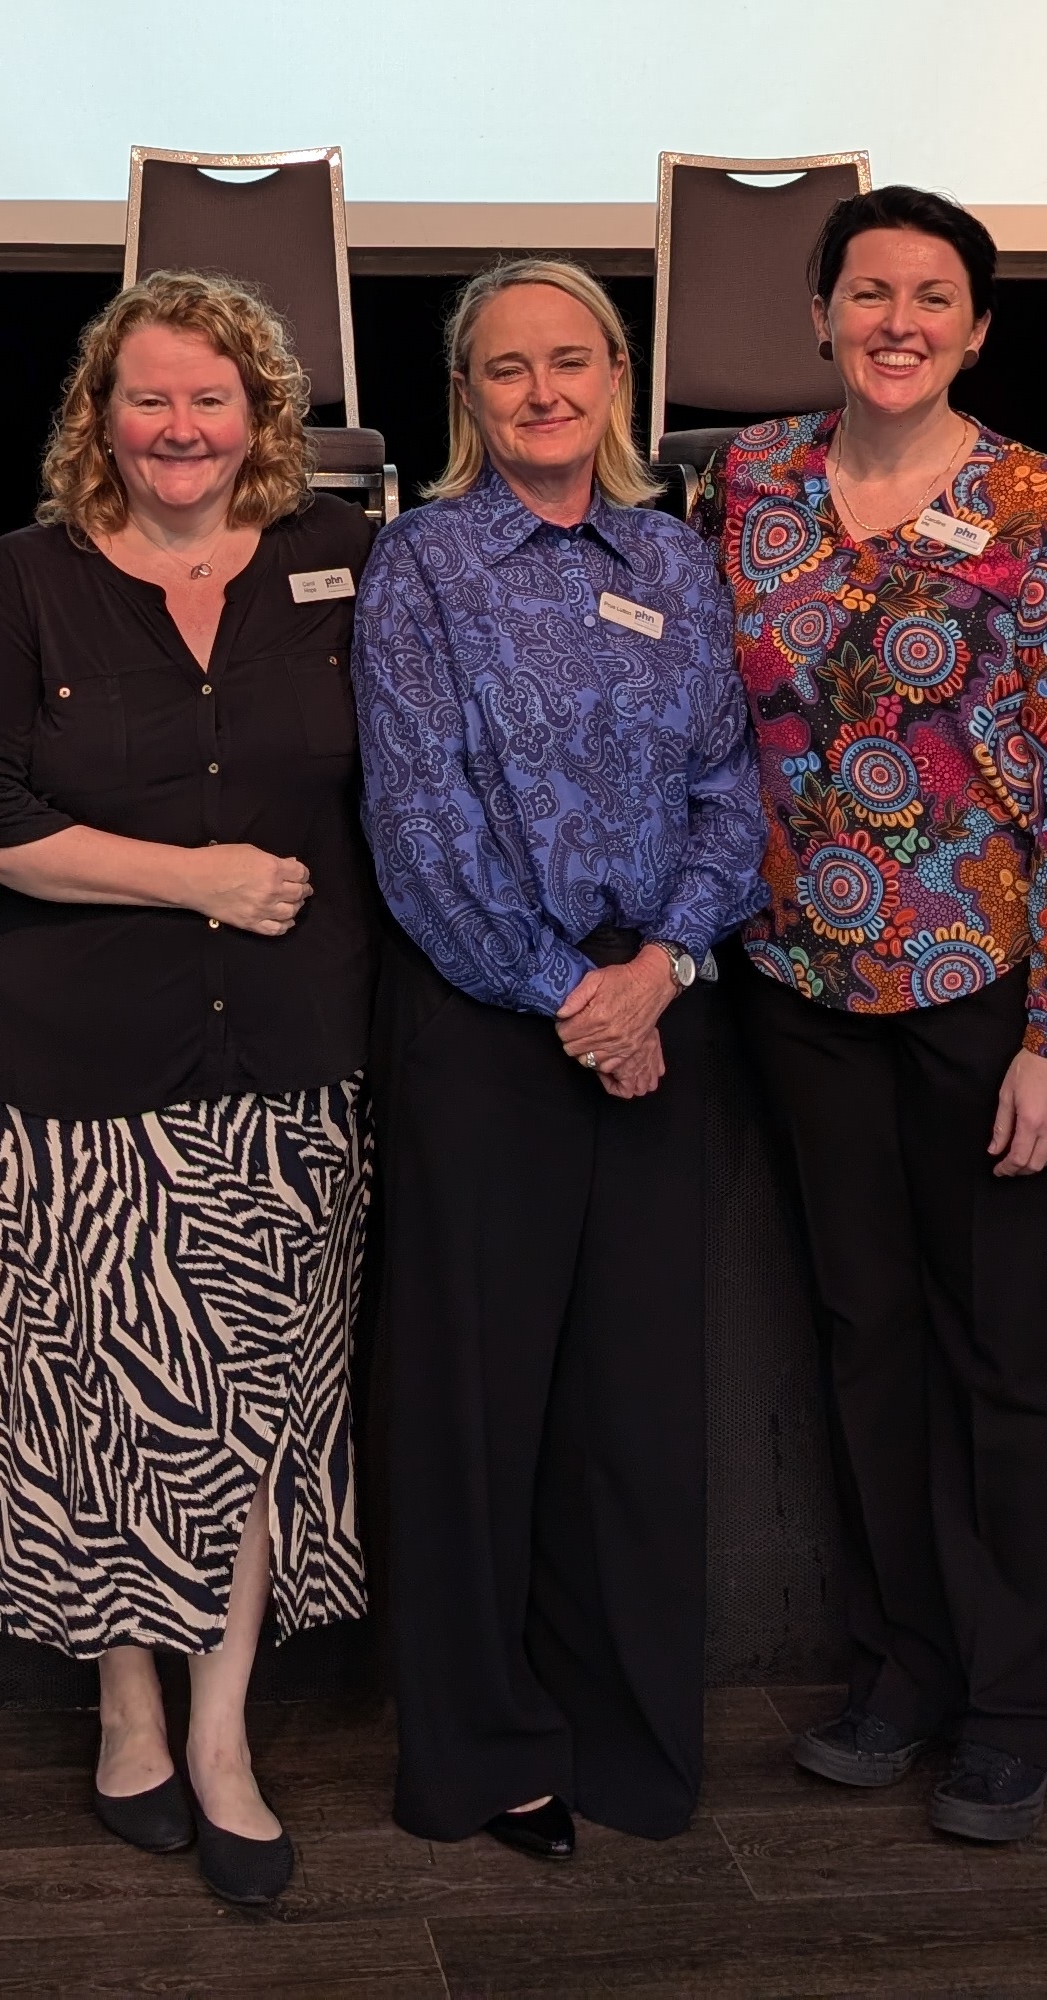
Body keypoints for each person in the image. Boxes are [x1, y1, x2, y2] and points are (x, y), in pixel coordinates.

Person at [0, 272, 380, 1910]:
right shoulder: (29, 576)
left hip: (289, 1058)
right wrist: (194, 877)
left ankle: (222, 1735)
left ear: (260, 415)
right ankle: (125, 1708)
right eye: (148, 398)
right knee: (104, 1404)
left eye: (211, 398)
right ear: (98, 418)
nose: (179, 427)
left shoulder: (346, 560)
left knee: (252, 1404)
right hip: (76, 1067)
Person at [706, 185, 1047, 1847]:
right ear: (820, 314)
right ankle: (902, 1669)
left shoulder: (1043, 503)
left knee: (1005, 1356)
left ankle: (1014, 1707)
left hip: (981, 988)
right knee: (864, 1340)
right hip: (798, 980)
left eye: (932, 296)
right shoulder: (748, 479)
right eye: (868, 291)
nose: (898, 321)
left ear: (978, 328)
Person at [355, 257, 767, 1858]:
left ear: (616, 380)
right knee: (476, 1413)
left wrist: (659, 973)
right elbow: (420, 819)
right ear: (468, 393)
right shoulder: (422, 562)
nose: (544, 392)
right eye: (509, 367)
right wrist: (575, 1001)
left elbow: (731, 790)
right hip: (487, 1022)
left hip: (658, 1009)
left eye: (572, 361)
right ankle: (484, 1750)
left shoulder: (675, 557)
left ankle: (626, 1737)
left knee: (632, 1411)